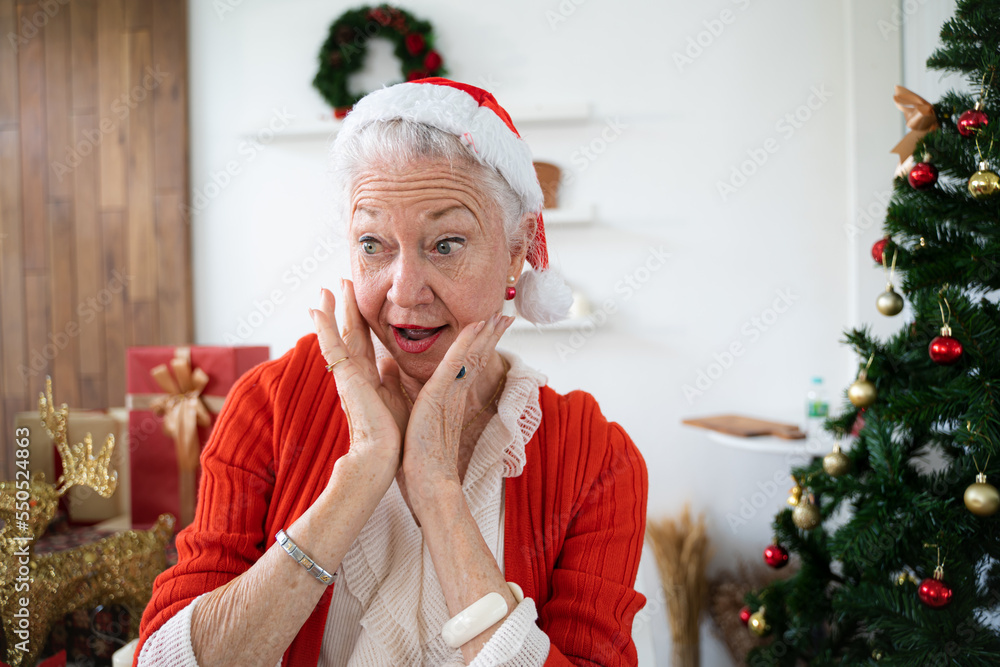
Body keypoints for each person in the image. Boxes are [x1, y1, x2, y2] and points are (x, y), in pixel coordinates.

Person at [135, 78, 648, 667]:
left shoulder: (596, 458)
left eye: (447, 243)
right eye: (374, 244)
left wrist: (437, 490)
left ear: (515, 252)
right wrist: (362, 471)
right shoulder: (270, 403)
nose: (405, 291)